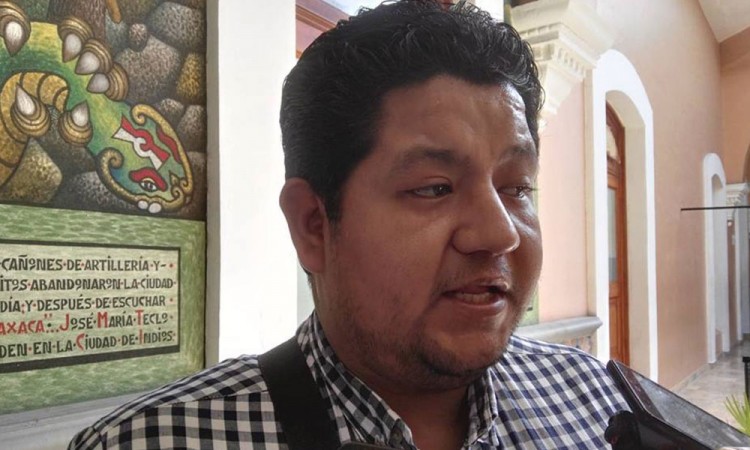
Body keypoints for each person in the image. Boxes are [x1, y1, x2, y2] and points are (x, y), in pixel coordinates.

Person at [69, 1, 629, 449]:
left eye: (517, 188)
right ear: (313, 225)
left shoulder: (595, 407)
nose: (499, 233)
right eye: (434, 188)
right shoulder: (155, 440)